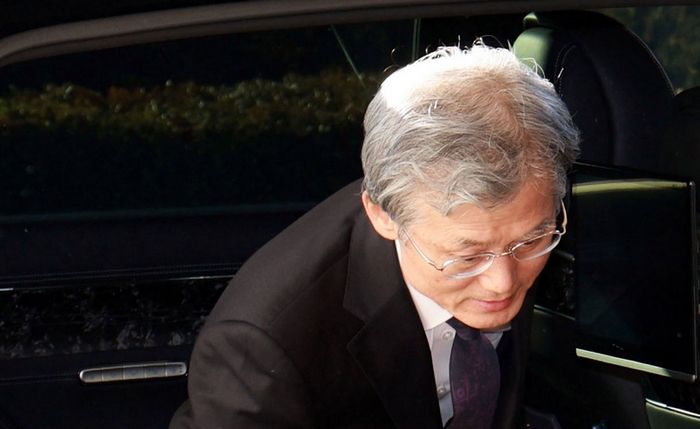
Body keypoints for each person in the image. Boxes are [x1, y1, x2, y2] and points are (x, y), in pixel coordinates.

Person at [170, 44, 579, 429]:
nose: (503, 282)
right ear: (383, 215)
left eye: (532, 240)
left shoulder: (510, 216)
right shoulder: (262, 348)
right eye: (468, 257)